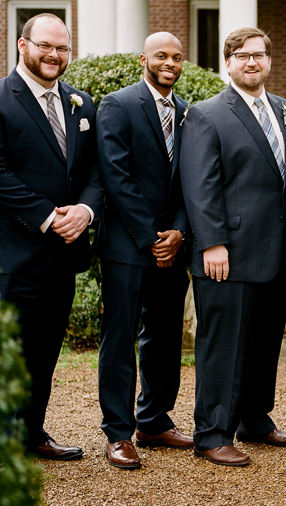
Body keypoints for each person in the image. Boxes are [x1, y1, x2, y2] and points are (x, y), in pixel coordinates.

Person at [0, 13, 102, 460]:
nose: (55, 55)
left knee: (44, 353)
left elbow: (95, 172)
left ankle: (32, 434)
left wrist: (84, 210)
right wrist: (48, 217)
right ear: (22, 46)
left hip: (63, 255)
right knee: (12, 353)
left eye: (63, 48)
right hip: (13, 254)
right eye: (46, 46)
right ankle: (4, 441)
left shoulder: (81, 103)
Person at [179, 27, 286, 467]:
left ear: (269, 61)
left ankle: (254, 418)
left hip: (277, 251)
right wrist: (212, 243)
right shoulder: (206, 114)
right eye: (242, 56)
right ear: (227, 63)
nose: (252, 63)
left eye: (259, 55)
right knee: (223, 345)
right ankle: (212, 433)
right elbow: (199, 185)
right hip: (226, 254)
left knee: (265, 342)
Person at [95, 32, 193, 469]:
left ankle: (153, 419)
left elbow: (194, 180)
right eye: (161, 55)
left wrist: (179, 233)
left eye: (176, 56)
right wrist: (151, 235)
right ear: (144, 59)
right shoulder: (118, 104)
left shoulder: (189, 113)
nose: (169, 62)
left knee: (165, 336)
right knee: (120, 338)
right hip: (127, 246)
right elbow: (115, 174)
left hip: (172, 247)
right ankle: (118, 432)